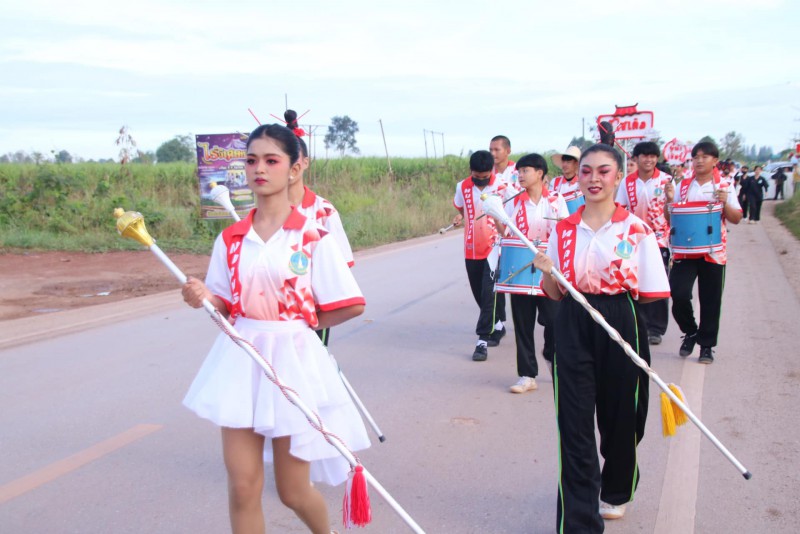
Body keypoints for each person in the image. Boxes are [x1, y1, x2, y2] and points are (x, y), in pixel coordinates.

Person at [181, 123, 370, 534]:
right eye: (251, 161)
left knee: (293, 491)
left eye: (271, 160)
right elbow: (223, 302)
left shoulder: (313, 237)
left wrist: (305, 322)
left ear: (294, 169)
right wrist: (204, 297)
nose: (259, 169)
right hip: (242, 360)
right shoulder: (230, 239)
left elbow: (351, 303)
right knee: (243, 487)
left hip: (294, 361)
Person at [533, 143, 670, 531]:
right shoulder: (564, 229)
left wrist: (616, 302)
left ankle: (617, 487)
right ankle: (579, 522)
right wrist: (546, 270)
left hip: (621, 320)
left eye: (603, 171)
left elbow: (650, 293)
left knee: (622, 416)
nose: (593, 178)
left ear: (618, 176)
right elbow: (555, 292)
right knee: (573, 425)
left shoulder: (636, 229)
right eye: (587, 171)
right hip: (572, 320)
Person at [285, 110, 356, 346]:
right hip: (270, 316)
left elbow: (340, 266)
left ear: (305, 162)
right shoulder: (260, 217)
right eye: (276, 159)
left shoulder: (323, 211)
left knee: (313, 363)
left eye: (293, 158)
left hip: (312, 313)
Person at [667, 141, 742, 364]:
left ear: (715, 161)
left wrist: (725, 203)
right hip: (685, 251)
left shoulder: (724, 186)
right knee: (678, 293)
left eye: (704, 157)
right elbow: (670, 218)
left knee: (711, 300)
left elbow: (736, 218)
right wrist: (669, 200)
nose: (699, 161)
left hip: (713, 252)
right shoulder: (683, 186)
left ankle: (706, 346)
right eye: (696, 157)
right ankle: (690, 331)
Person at [497, 153, 567, 392]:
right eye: (519, 171)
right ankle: (527, 375)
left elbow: (565, 232)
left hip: (549, 271)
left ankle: (553, 358)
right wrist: (496, 216)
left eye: (525, 170)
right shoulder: (514, 201)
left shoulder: (556, 200)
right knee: (523, 323)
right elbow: (505, 233)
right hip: (520, 270)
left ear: (540, 173)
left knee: (555, 321)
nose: (520, 175)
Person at [615, 141, 674, 346]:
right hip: (633, 240)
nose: (648, 160)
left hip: (659, 239)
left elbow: (674, 210)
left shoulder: (666, 181)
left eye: (652, 156)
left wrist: (670, 198)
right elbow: (621, 208)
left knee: (656, 280)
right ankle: (638, 323)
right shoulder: (627, 182)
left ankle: (656, 328)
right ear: (636, 158)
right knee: (634, 281)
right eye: (644, 156)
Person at [453, 150, 509, 361]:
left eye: (485, 177)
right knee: (479, 293)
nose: (481, 181)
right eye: (477, 177)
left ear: (491, 172)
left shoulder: (502, 186)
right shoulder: (462, 187)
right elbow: (462, 209)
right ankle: (498, 324)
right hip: (471, 248)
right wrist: (460, 218)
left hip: (495, 248)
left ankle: (482, 341)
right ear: (471, 171)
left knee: (488, 293)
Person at [551, 146, 583, 213]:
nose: (565, 164)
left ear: (576, 164)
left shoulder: (583, 182)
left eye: (568, 162)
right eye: (563, 161)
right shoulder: (554, 182)